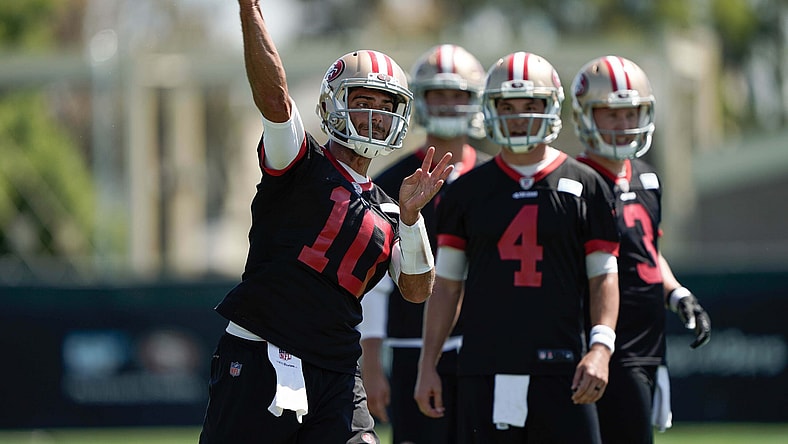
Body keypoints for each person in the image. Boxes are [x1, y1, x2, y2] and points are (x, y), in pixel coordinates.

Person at [198, 2, 455, 443]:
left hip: (336, 370)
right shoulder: (300, 161)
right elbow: (275, 99)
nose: (375, 114)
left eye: (385, 105)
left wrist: (412, 220)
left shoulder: (392, 210)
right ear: (336, 105)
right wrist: (249, 10)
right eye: (363, 101)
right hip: (262, 351)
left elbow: (417, 290)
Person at [414, 51, 621, 444]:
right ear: (489, 109)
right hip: (486, 367)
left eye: (531, 105)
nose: (519, 115)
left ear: (551, 108)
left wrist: (600, 349)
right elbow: (447, 285)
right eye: (507, 106)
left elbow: (604, 279)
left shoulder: (589, 185)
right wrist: (429, 362)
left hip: (563, 367)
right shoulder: (467, 192)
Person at [570, 55, 712, 444]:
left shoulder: (648, 176)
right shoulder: (572, 183)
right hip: (596, 342)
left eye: (631, 112)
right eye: (610, 114)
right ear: (586, 115)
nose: (623, 124)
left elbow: (649, 250)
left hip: (646, 340)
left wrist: (675, 292)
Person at [358, 44, 488, 444]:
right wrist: (373, 365)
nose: (448, 104)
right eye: (437, 94)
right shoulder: (392, 180)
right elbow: (376, 284)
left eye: (458, 94)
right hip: (412, 344)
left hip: (486, 346)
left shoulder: (495, 179)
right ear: (421, 100)